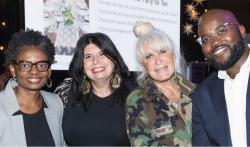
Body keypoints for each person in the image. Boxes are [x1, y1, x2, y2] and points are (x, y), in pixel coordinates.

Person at [54, 32, 137, 146]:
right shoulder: (66, 90)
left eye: (102, 54)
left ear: (114, 59)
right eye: (88, 56)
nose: (95, 61)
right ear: (81, 64)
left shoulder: (135, 93)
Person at [126, 22, 195, 146]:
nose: (158, 61)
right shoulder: (137, 100)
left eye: (162, 51)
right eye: (149, 56)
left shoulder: (198, 91)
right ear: (143, 65)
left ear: (173, 56)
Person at [192, 9, 250, 146]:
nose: (215, 42)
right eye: (206, 39)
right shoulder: (202, 95)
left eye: (221, 31)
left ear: (241, 30)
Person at [0, 30, 65, 146]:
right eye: (25, 65)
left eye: (41, 65)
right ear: (13, 70)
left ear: (49, 71)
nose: (34, 71)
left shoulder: (56, 103)